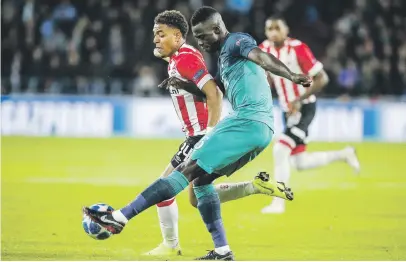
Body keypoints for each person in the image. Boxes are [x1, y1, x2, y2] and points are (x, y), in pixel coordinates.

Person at [83, 6, 310, 260]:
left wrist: (291, 75)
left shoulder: (237, 41)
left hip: (246, 122)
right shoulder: (226, 58)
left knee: (184, 172)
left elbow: (261, 56)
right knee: (200, 184)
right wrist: (183, 85)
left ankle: (119, 217)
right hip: (259, 129)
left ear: (217, 29)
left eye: (202, 36)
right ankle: (223, 251)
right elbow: (214, 89)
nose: (200, 42)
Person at [142, 10, 294, 256]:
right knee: (195, 196)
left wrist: (208, 132)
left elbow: (214, 93)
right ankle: (254, 188)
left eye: (161, 34)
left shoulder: (188, 57)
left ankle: (169, 245)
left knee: (165, 187)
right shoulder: (180, 57)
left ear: (177, 36)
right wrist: (178, 78)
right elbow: (207, 87)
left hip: (199, 134)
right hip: (201, 132)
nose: (156, 40)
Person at [258, 16, 361, 214]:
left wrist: (299, 99)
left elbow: (322, 78)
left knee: (280, 149)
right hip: (288, 111)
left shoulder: (298, 48)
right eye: (269, 28)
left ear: (286, 29)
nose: (273, 32)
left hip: (304, 108)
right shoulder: (264, 49)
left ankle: (278, 203)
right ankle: (344, 154)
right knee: (300, 163)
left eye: (277, 28)